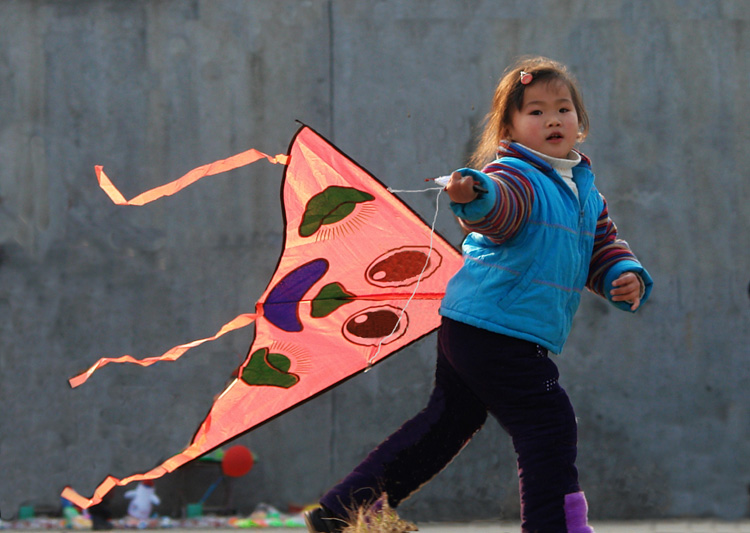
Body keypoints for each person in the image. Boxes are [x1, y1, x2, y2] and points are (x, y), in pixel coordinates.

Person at [305, 56, 653, 533]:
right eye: (535, 111)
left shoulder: (585, 191)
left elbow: (600, 245)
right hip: (497, 330)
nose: (552, 119)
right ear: (509, 128)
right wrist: (475, 195)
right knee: (548, 422)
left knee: (447, 424)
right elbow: (498, 210)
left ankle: (343, 510)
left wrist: (621, 272)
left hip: (477, 327)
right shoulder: (518, 175)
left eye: (563, 108)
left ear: (580, 122)